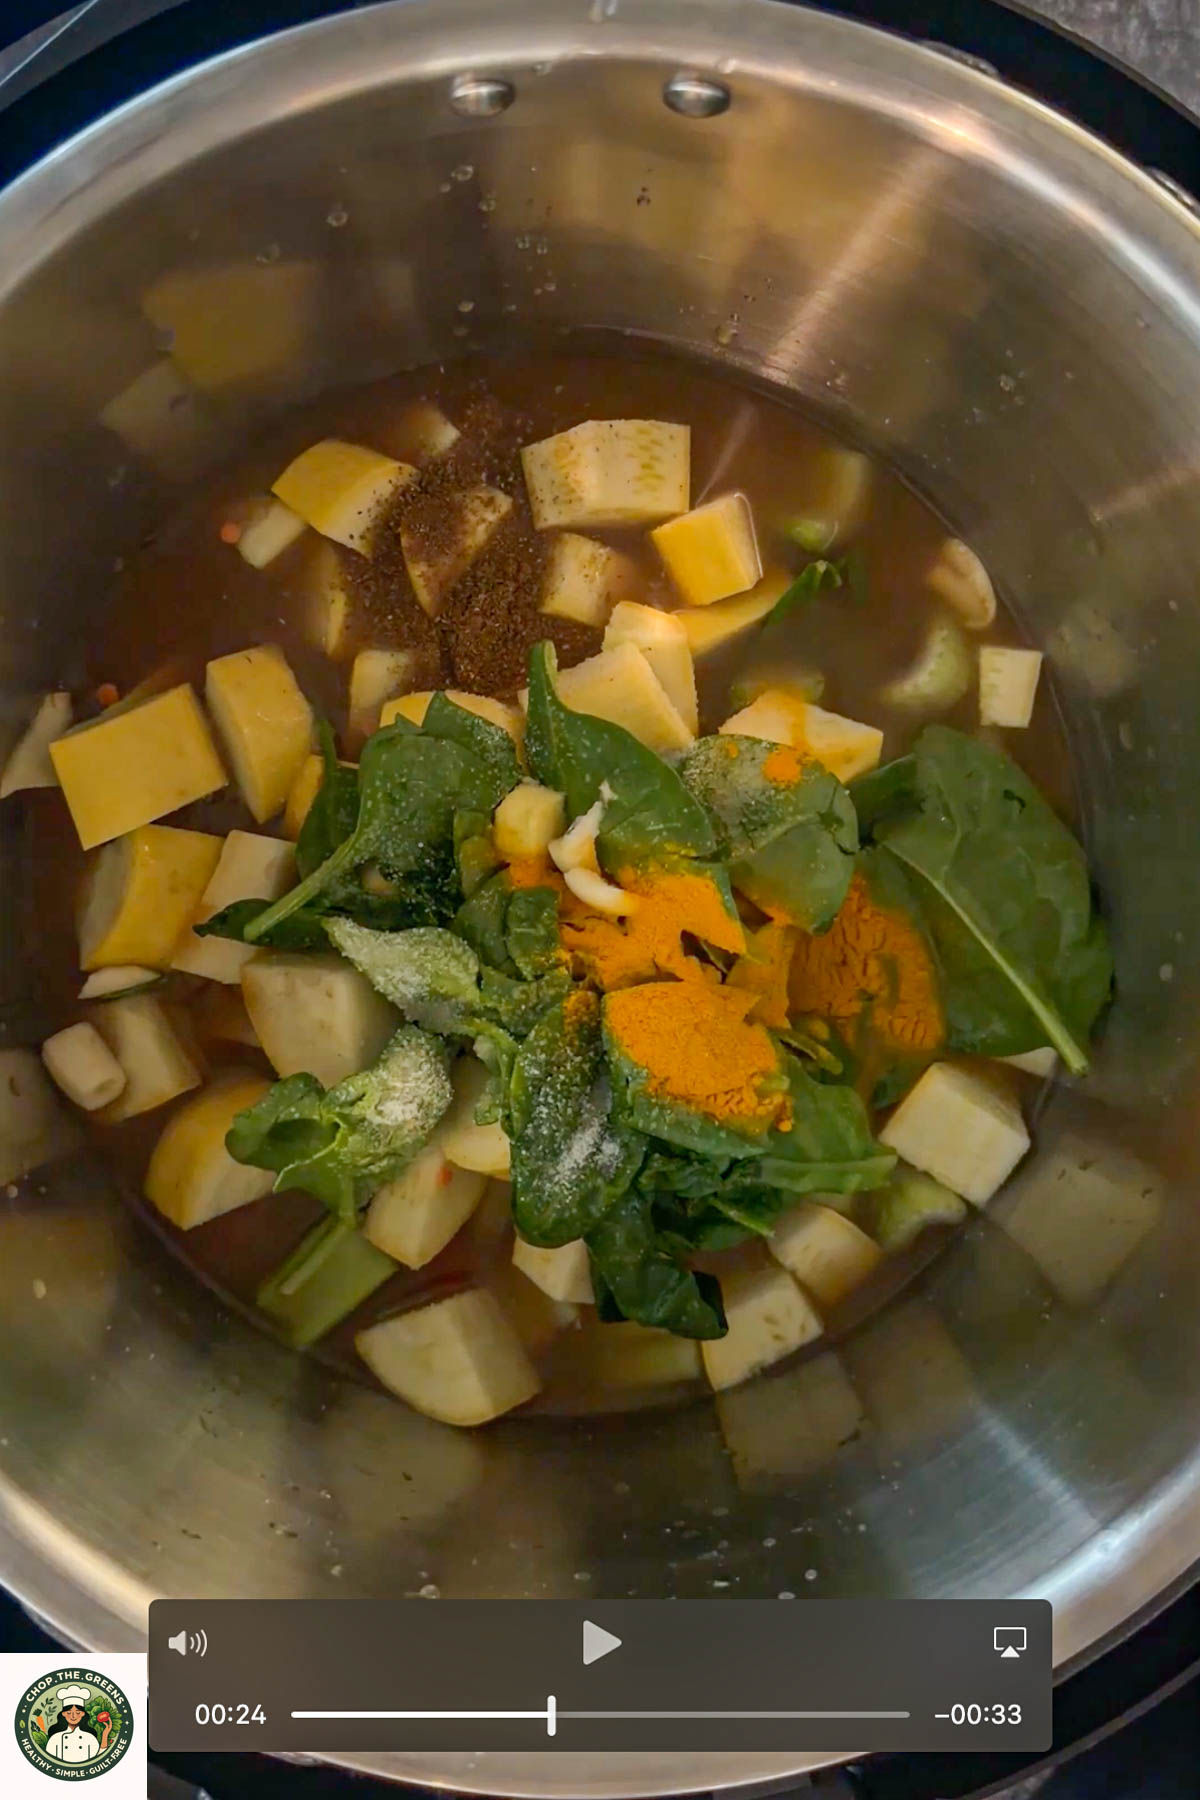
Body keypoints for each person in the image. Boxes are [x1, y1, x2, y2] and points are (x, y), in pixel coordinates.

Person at [44, 1685, 110, 1764]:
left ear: (83, 1714)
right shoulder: (55, 1738)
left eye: (78, 1712)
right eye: (69, 1712)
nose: (73, 1716)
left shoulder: (89, 1737)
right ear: (63, 1714)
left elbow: (99, 1761)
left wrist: (105, 1735)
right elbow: (50, 1762)